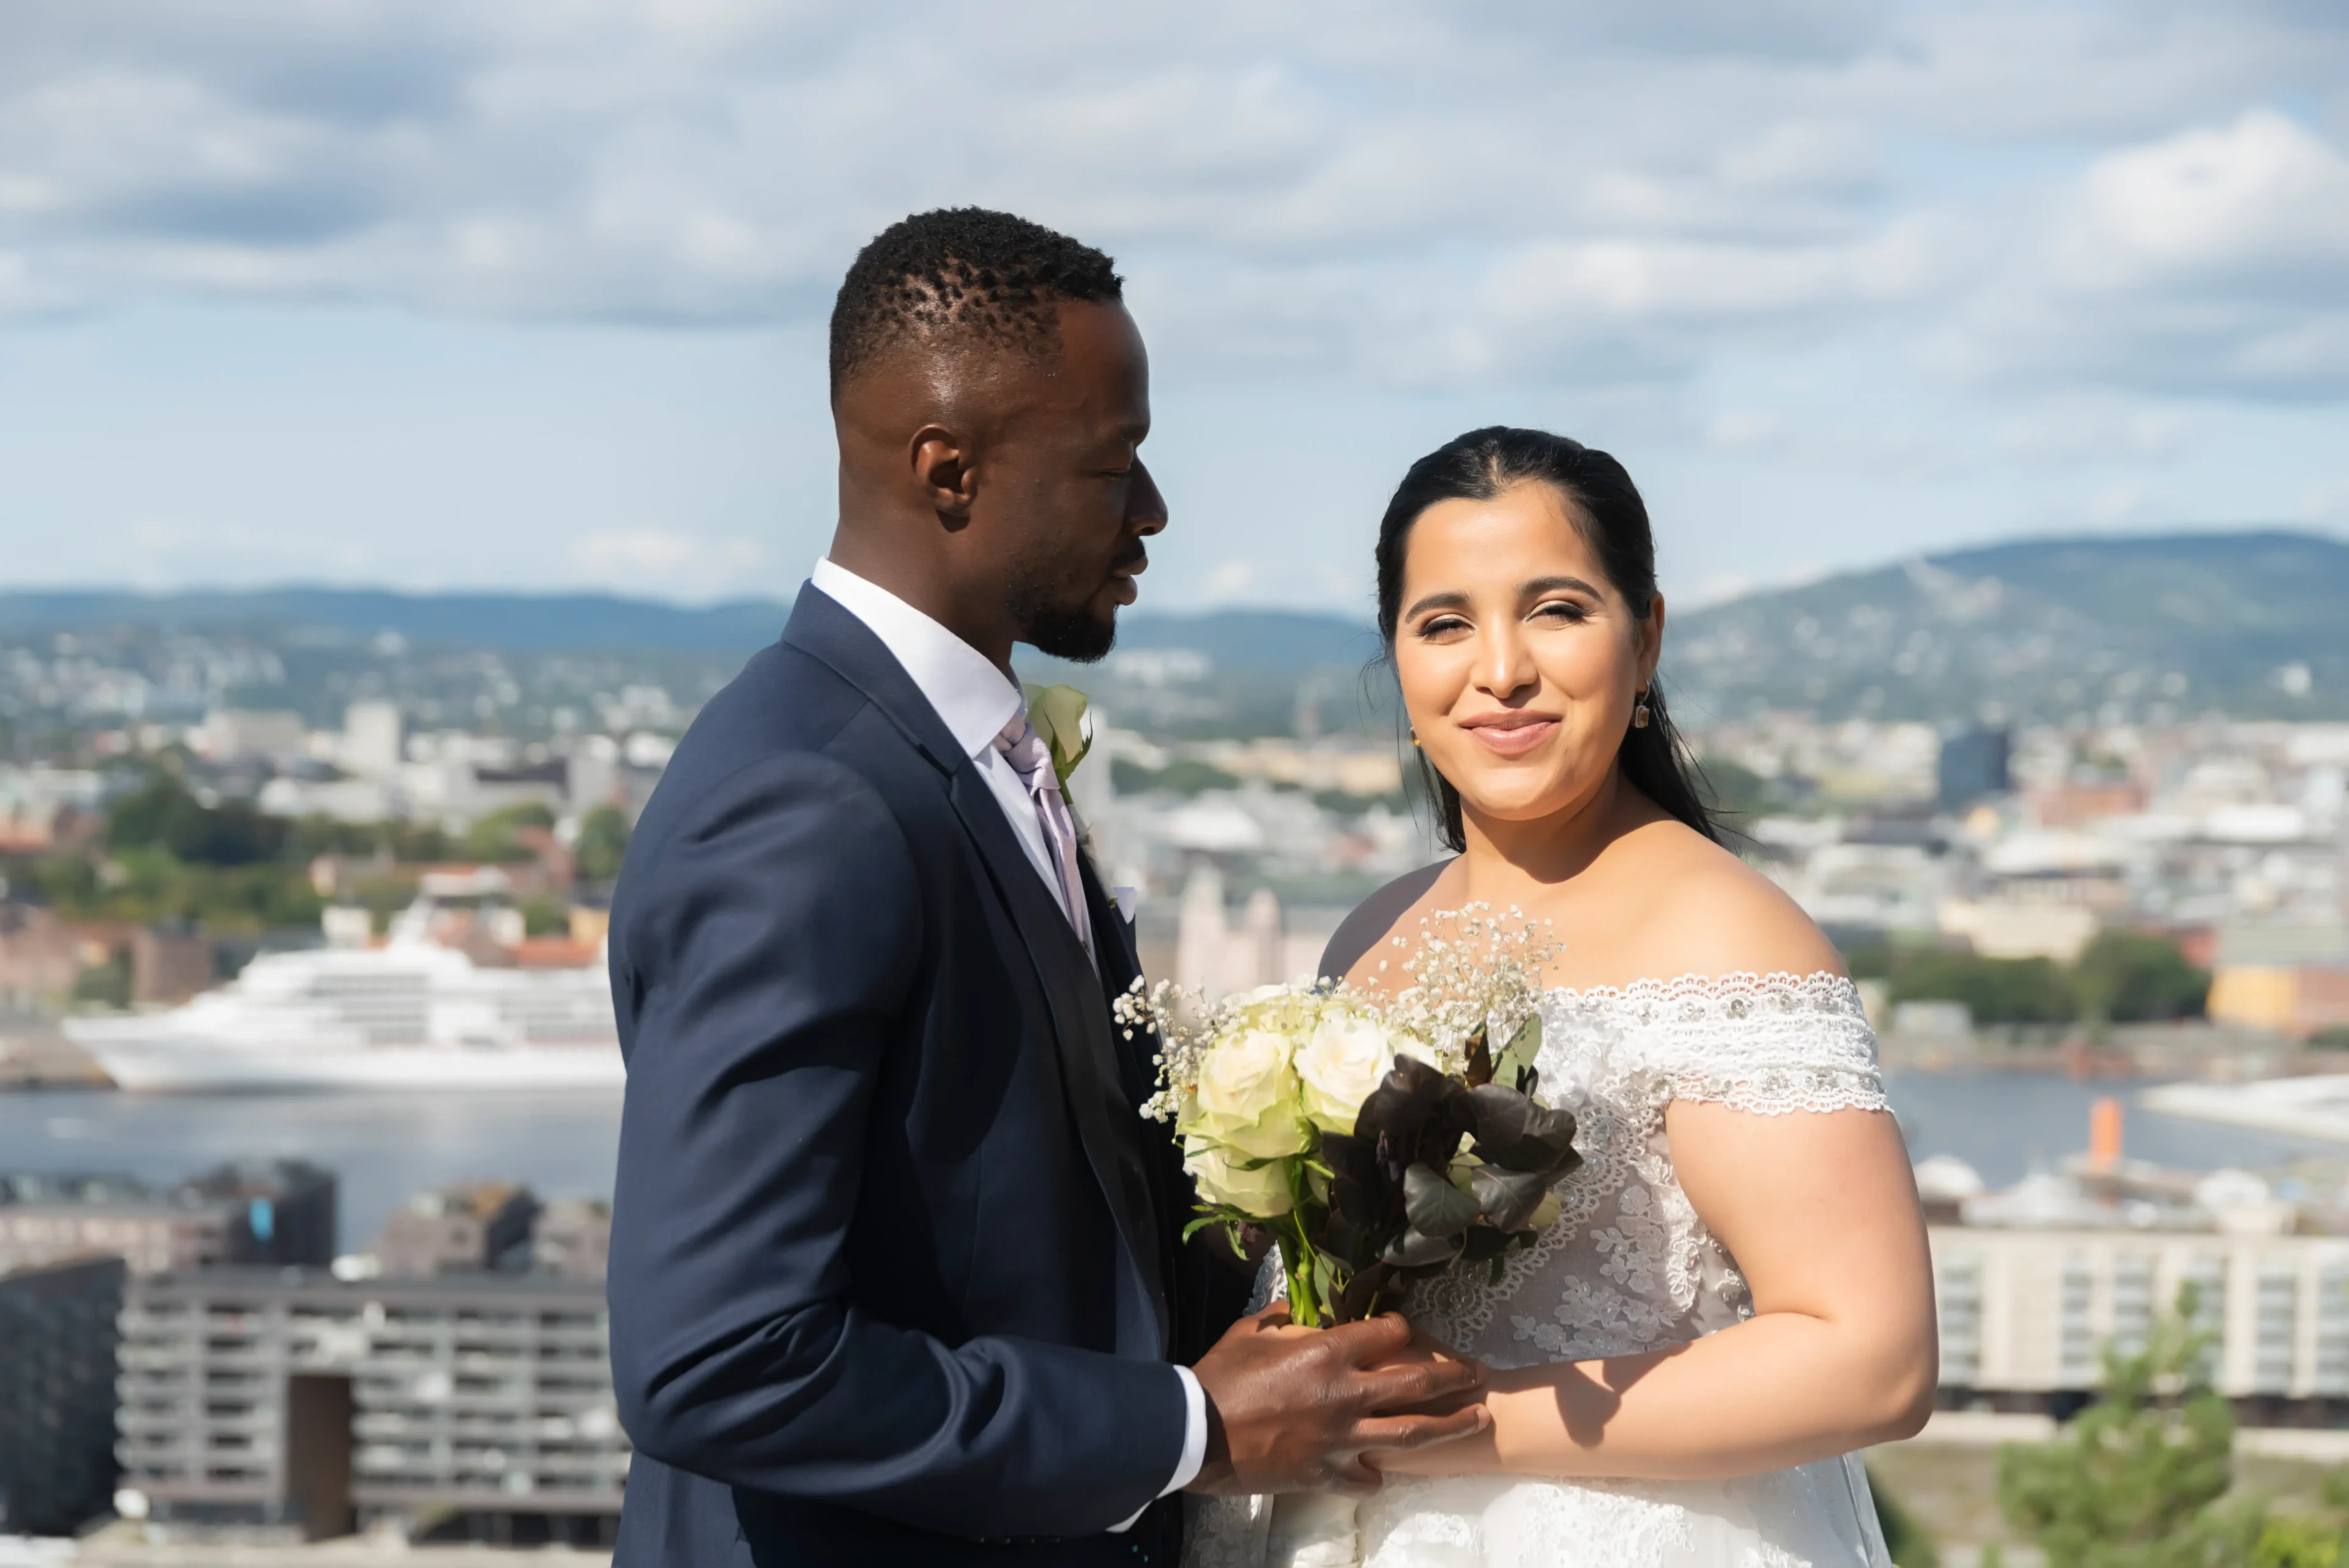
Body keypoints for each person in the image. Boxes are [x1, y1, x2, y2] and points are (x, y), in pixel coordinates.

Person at [602, 209, 1490, 1568]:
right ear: (950, 471)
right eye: (1111, 465)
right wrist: (1186, 1430)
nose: (1153, 511)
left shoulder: (964, 757)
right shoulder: (807, 802)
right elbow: (720, 1360)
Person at [1186, 428, 1937, 1567]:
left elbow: (1871, 1355)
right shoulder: (1371, 929)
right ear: (1397, 656)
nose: (1501, 670)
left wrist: (1466, 1425)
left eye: (1556, 610)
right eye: (1445, 623)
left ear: (1647, 635)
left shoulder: (1727, 932)